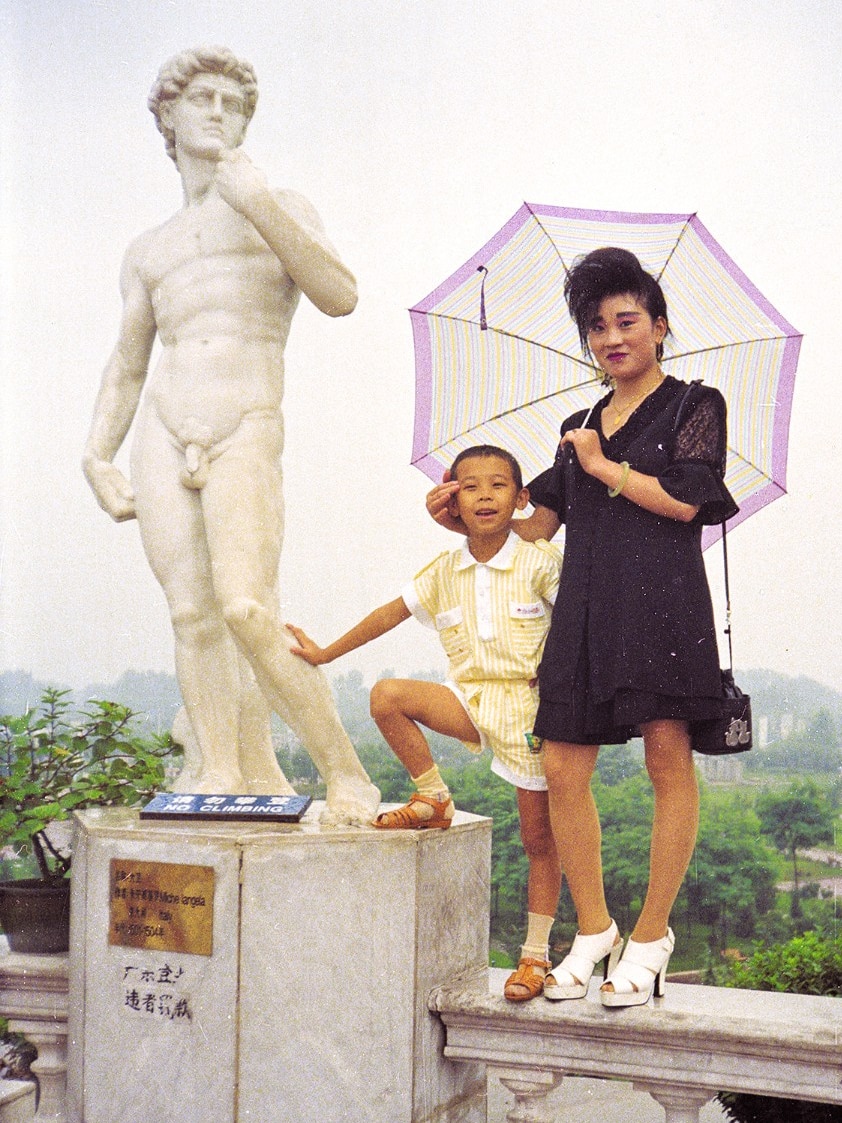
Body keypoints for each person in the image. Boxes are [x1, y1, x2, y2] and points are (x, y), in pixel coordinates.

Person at [427, 248, 737, 1006]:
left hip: (664, 606)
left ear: (660, 327)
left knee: (668, 757)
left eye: (627, 320)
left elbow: (690, 502)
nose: (611, 337)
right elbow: (538, 525)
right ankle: (594, 928)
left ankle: (652, 933)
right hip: (586, 611)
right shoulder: (578, 426)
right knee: (563, 765)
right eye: (596, 326)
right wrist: (472, 512)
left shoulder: (696, 402)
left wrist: (605, 469)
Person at [82, 46, 379, 824]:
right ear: (170, 119)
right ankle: (218, 767)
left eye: (232, 103)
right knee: (191, 615)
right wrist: (95, 452)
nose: (218, 112)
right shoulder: (149, 249)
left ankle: (345, 772)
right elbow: (128, 360)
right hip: (162, 427)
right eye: (202, 99)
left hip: (244, 422)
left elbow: (340, 294)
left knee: (247, 606)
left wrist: (260, 205)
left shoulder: (277, 203)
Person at [287, 445, 564, 1002]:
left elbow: (582, 627)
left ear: (521, 499)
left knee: (539, 838)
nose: (484, 496)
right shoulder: (445, 570)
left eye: (498, 485)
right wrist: (326, 654)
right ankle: (432, 797)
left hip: (533, 711)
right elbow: (389, 614)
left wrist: (561, 680)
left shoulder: (540, 561)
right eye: (470, 486)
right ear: (450, 500)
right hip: (469, 699)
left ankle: (535, 956)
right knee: (388, 696)